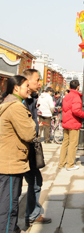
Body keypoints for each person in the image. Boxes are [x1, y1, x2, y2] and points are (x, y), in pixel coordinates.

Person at [0, 75, 36, 233]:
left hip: (8, 157)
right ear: (16, 88)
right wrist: (33, 124)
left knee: (7, 201)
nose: (28, 89)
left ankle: (12, 228)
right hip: (10, 162)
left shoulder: (7, 102)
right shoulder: (16, 106)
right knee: (9, 205)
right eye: (26, 85)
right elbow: (29, 133)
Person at [23, 69, 52, 227]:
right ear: (27, 81)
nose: (40, 83)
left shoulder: (33, 99)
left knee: (36, 181)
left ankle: (32, 213)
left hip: (31, 147)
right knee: (16, 188)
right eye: (37, 80)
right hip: (22, 149)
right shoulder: (20, 101)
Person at [59, 79, 84, 170]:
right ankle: (70, 164)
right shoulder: (76, 97)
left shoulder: (66, 96)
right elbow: (76, 111)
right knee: (73, 144)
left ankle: (61, 163)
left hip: (66, 121)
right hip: (73, 122)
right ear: (78, 87)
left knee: (65, 143)